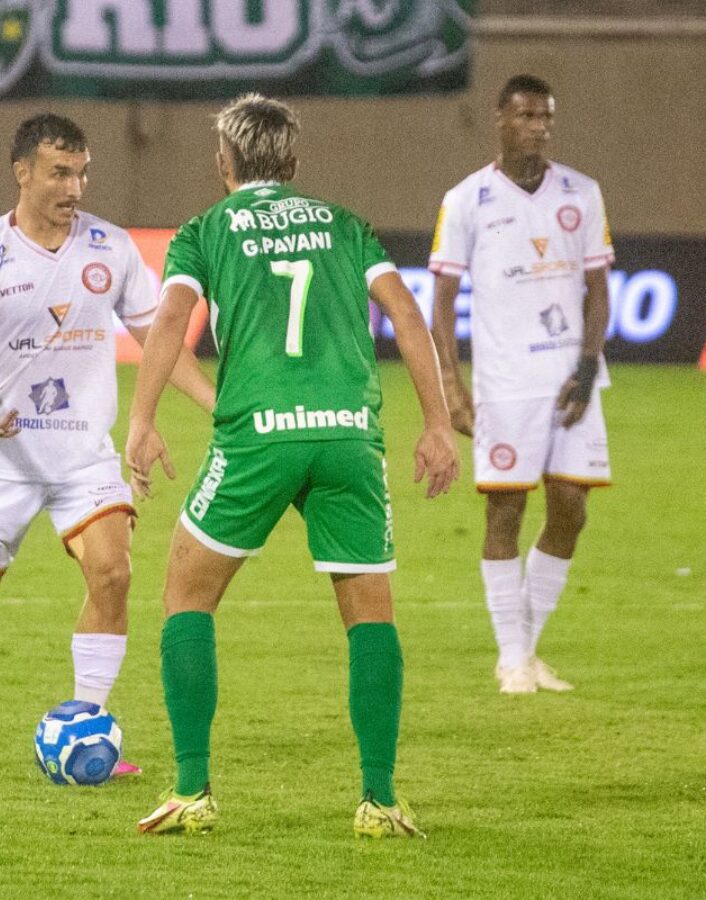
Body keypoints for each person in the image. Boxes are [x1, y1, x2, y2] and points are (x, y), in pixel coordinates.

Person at [125, 94, 460, 837]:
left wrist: (143, 420)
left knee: (186, 594)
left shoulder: (204, 231)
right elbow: (407, 314)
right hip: (347, 433)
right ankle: (378, 799)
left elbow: (172, 320)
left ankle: (192, 790)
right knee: (370, 613)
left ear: (224, 163)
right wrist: (436, 424)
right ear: (295, 163)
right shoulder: (346, 225)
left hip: (260, 433)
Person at [0, 114, 214, 774]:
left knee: (112, 573)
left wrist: (219, 408)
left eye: (82, 172)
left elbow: (161, 343)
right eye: (60, 172)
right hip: (2, 457)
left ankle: (89, 728)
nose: (74, 186)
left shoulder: (110, 250)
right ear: (22, 171)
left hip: (83, 454)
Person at [428, 74, 614, 695]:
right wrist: (453, 391)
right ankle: (512, 657)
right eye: (527, 116)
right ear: (500, 120)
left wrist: (588, 370)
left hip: (570, 381)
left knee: (572, 509)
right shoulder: (465, 200)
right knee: (505, 509)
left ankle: (526, 651)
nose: (538, 127)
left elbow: (597, 290)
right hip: (505, 384)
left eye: (546, 117)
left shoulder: (581, 194)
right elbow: (443, 302)